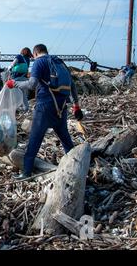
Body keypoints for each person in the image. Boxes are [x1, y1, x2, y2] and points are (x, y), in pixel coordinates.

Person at [8, 44, 83, 180]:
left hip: (45, 106)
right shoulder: (59, 62)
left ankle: (26, 173)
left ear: (35, 53)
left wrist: (15, 83)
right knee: (65, 139)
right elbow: (72, 85)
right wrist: (76, 106)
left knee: (34, 140)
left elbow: (31, 84)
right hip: (61, 107)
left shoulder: (39, 62)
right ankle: (77, 167)